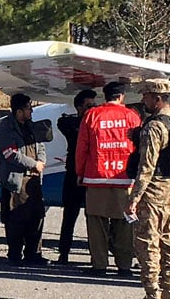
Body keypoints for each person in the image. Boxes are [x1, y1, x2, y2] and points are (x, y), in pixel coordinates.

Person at [126, 79, 170, 298]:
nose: (143, 100)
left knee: (147, 245)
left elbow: (146, 167)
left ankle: (152, 293)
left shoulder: (154, 126)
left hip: (153, 194)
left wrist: (134, 198)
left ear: (157, 98)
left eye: (146, 96)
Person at [76, 81, 141, 276]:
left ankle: (99, 264)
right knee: (125, 223)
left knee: (97, 223)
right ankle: (124, 265)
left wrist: (80, 173)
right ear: (121, 97)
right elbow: (139, 148)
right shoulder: (132, 116)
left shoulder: (92, 115)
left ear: (105, 96)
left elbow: (82, 148)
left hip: (97, 177)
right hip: (124, 178)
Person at [0, 93, 49, 266]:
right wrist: (33, 164)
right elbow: (10, 154)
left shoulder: (30, 127)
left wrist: (41, 161)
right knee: (16, 219)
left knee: (37, 217)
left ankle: (34, 253)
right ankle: (14, 255)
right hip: (17, 181)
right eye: (28, 108)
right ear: (19, 111)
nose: (31, 111)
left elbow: (40, 145)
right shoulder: (6, 128)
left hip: (34, 181)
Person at [55, 89, 97, 265]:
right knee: (69, 217)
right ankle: (63, 253)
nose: (92, 109)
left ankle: (97, 256)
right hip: (74, 174)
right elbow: (67, 126)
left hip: (91, 175)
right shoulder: (70, 123)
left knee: (94, 218)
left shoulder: (96, 123)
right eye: (89, 105)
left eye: (94, 105)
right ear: (79, 107)